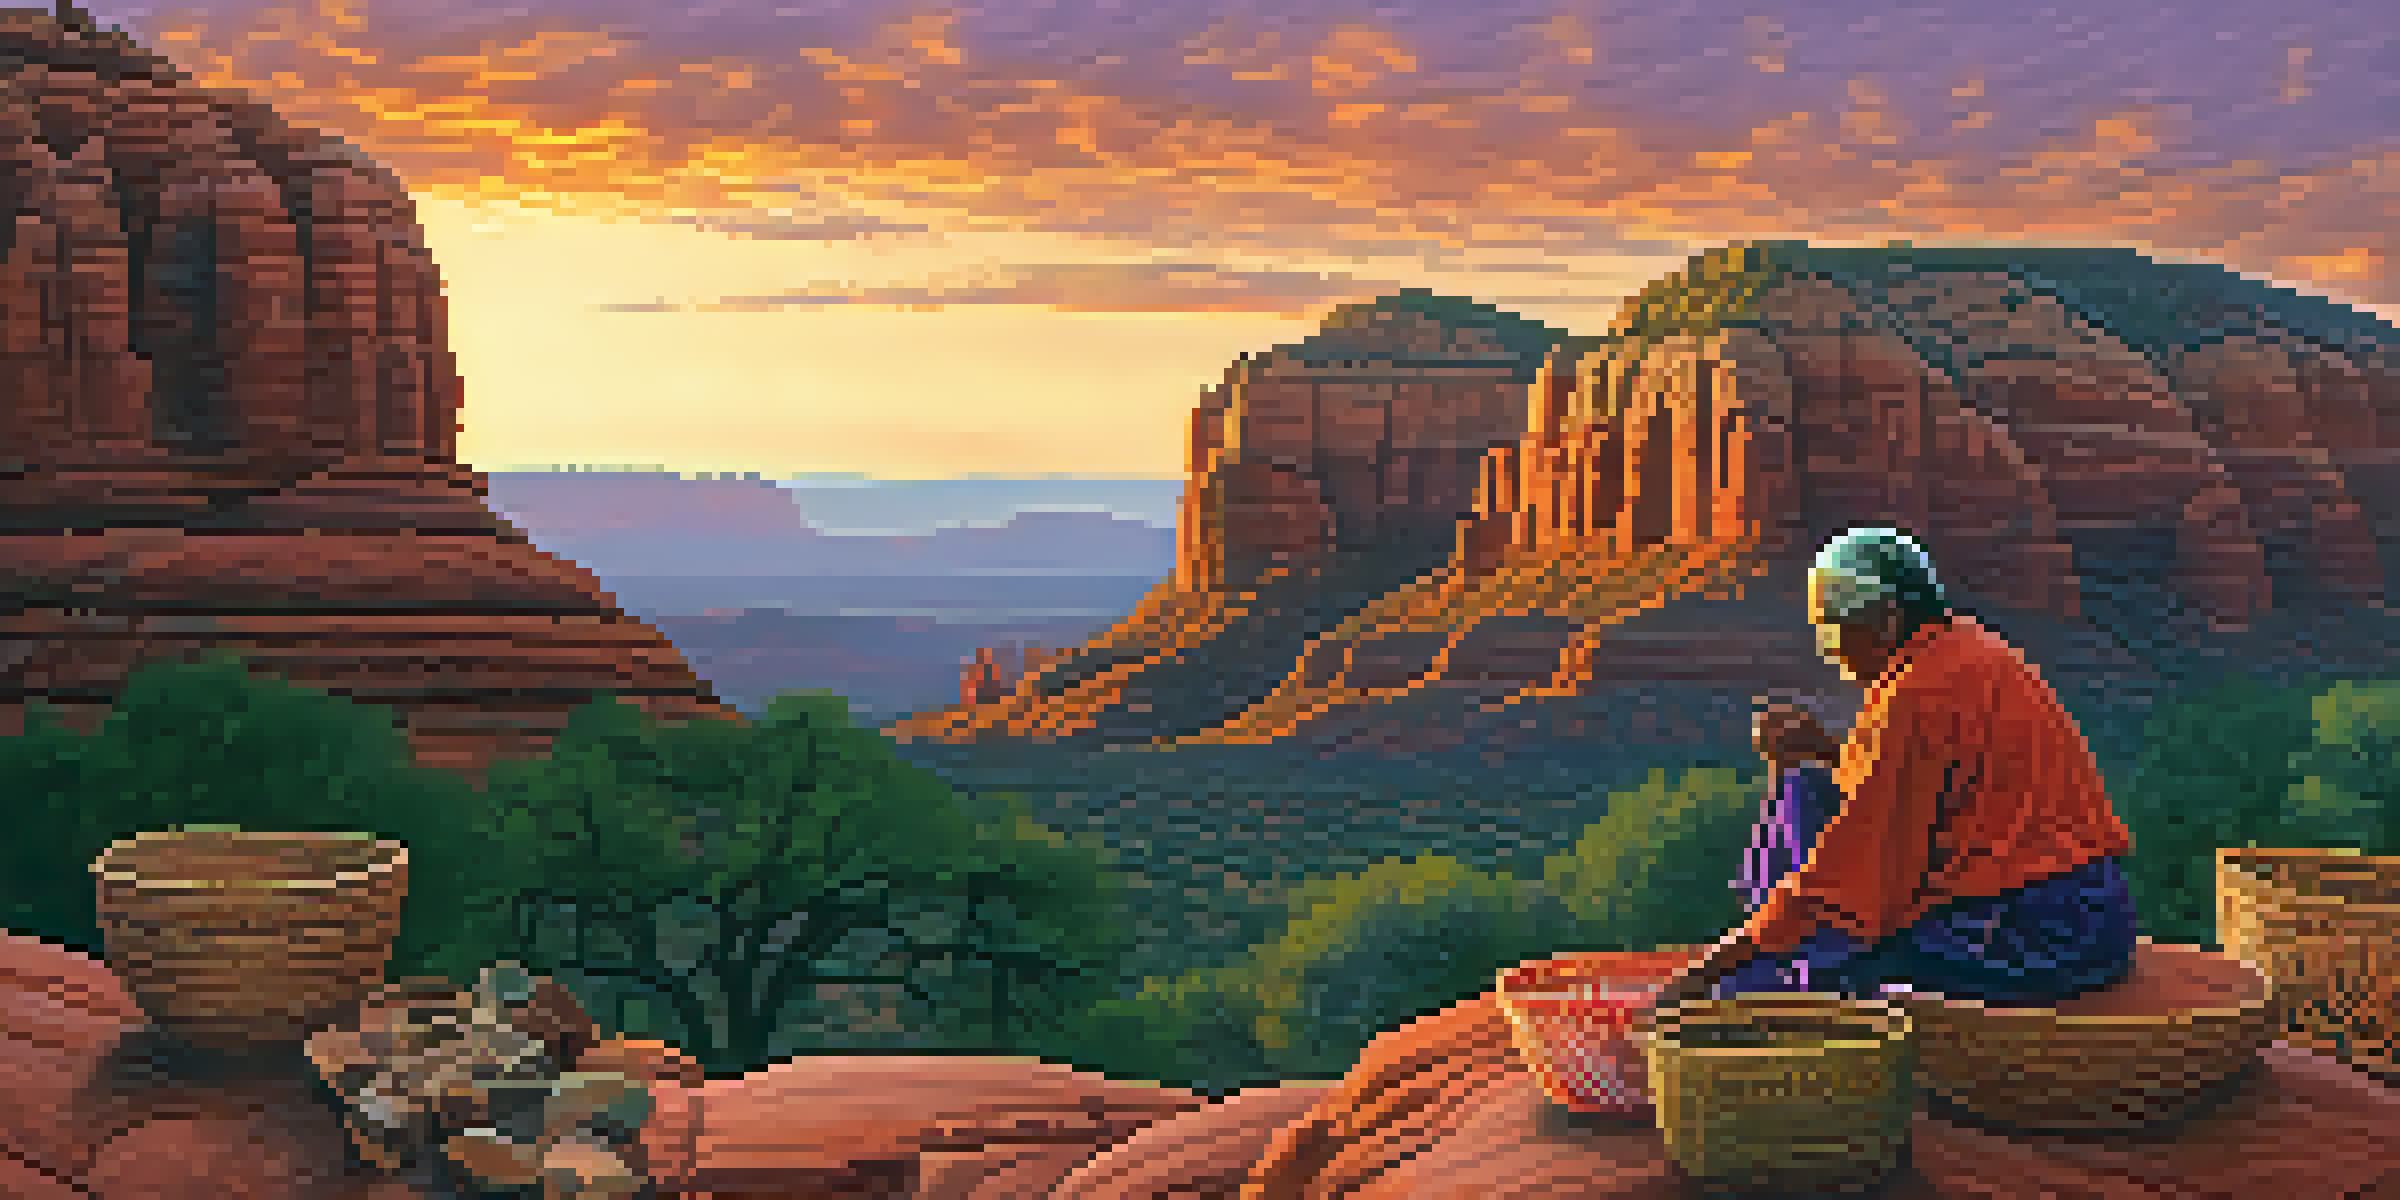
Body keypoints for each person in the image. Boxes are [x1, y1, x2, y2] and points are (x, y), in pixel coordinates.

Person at [1647, 527, 2141, 1015]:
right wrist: (1824, 752)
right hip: (2094, 915)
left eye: (1834, 625)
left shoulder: (1913, 698)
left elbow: (1853, 867)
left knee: (1765, 988)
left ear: (1885, 619)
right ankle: (1784, 939)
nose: (1827, 645)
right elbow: (1912, 794)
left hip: (2035, 932)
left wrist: (1707, 969)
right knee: (1806, 786)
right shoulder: (1969, 649)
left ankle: (1785, 956)